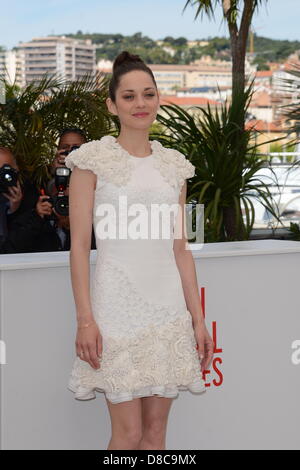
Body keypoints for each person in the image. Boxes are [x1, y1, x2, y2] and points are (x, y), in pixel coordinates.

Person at [65, 50, 214, 450]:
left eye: (148, 94)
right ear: (112, 105)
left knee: (155, 435)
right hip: (116, 309)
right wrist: (85, 320)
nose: (140, 103)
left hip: (168, 311)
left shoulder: (173, 166)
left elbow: (180, 249)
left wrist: (198, 320)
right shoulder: (92, 162)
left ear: (158, 99)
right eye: (129, 96)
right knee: (127, 435)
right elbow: (79, 248)